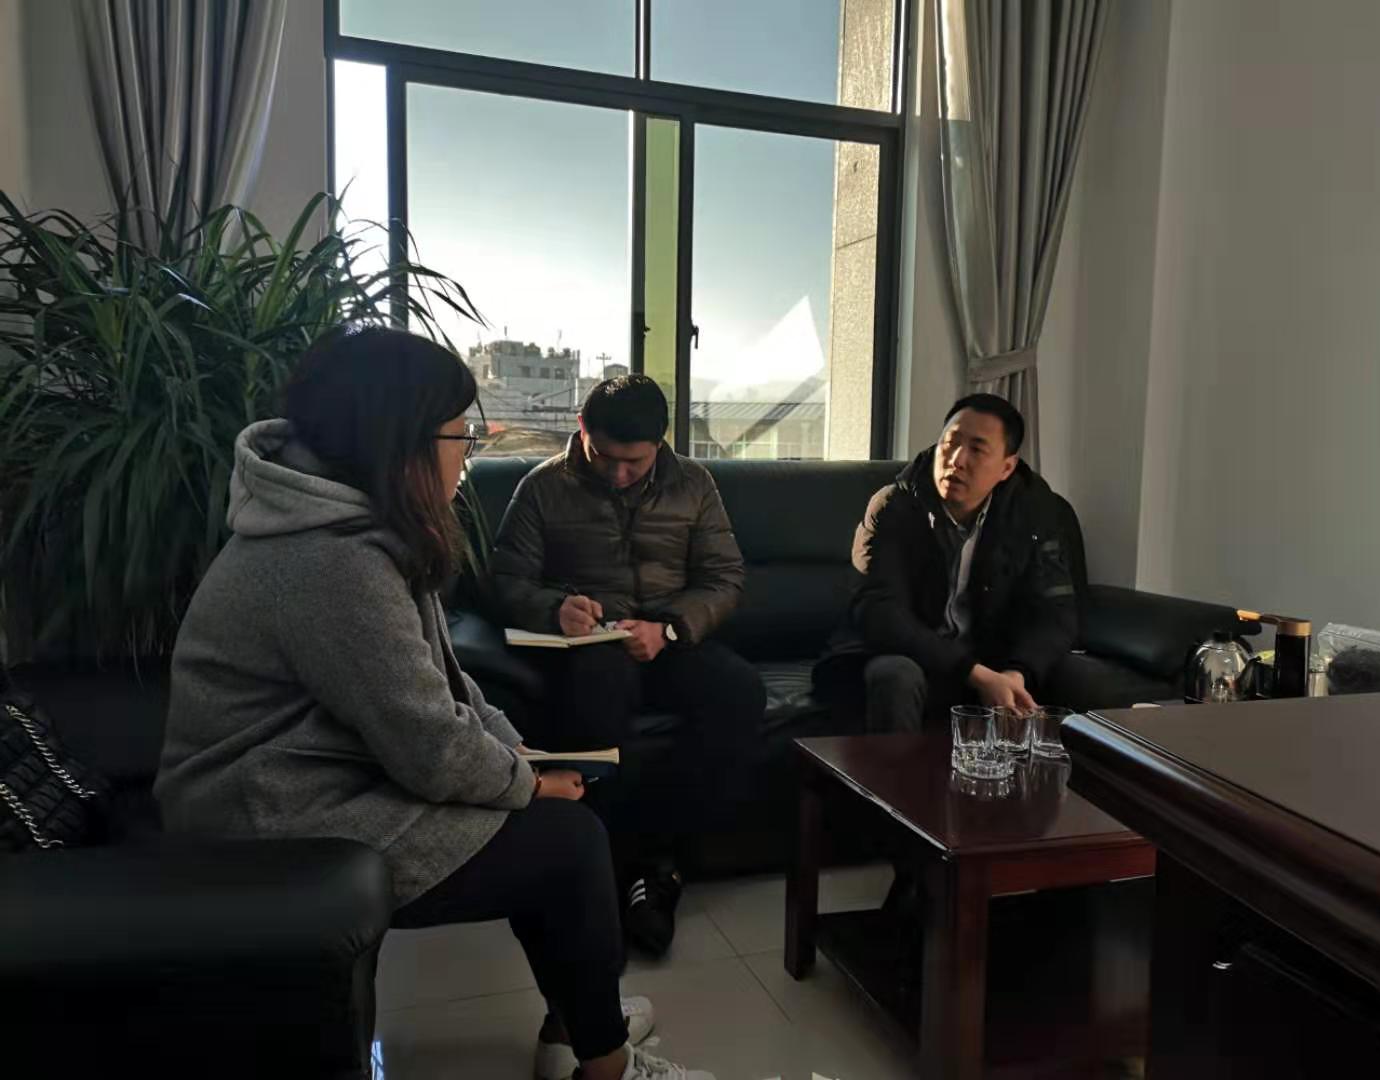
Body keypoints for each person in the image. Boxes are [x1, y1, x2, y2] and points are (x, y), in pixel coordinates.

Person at [153, 327, 712, 1080]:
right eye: (461, 436)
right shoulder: (333, 561)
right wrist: (527, 782)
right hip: (272, 815)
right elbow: (428, 744)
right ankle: (602, 1059)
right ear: (402, 443)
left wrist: (515, 752)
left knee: (560, 824)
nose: (466, 455)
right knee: (568, 843)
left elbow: (443, 684)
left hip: (310, 782)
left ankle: (580, 1025)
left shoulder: (343, 526)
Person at [493, 374, 764, 957]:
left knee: (740, 692)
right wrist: (554, 609)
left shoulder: (694, 484)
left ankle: (661, 859)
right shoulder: (542, 488)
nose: (618, 474)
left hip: (669, 639)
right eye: (604, 458)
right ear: (582, 430)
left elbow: (724, 578)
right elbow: (508, 580)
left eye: (634, 463)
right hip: (589, 650)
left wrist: (669, 630)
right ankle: (613, 867)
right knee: (598, 691)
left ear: (660, 444)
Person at [814, 393, 1078, 732]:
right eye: (950, 443)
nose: (956, 460)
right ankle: (894, 770)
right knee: (896, 675)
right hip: (902, 654)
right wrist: (974, 673)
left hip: (990, 660)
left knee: (1077, 677)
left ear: (1007, 467)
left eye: (977, 450)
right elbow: (880, 614)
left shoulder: (1036, 512)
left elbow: (1057, 613)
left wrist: (1018, 673)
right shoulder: (893, 505)